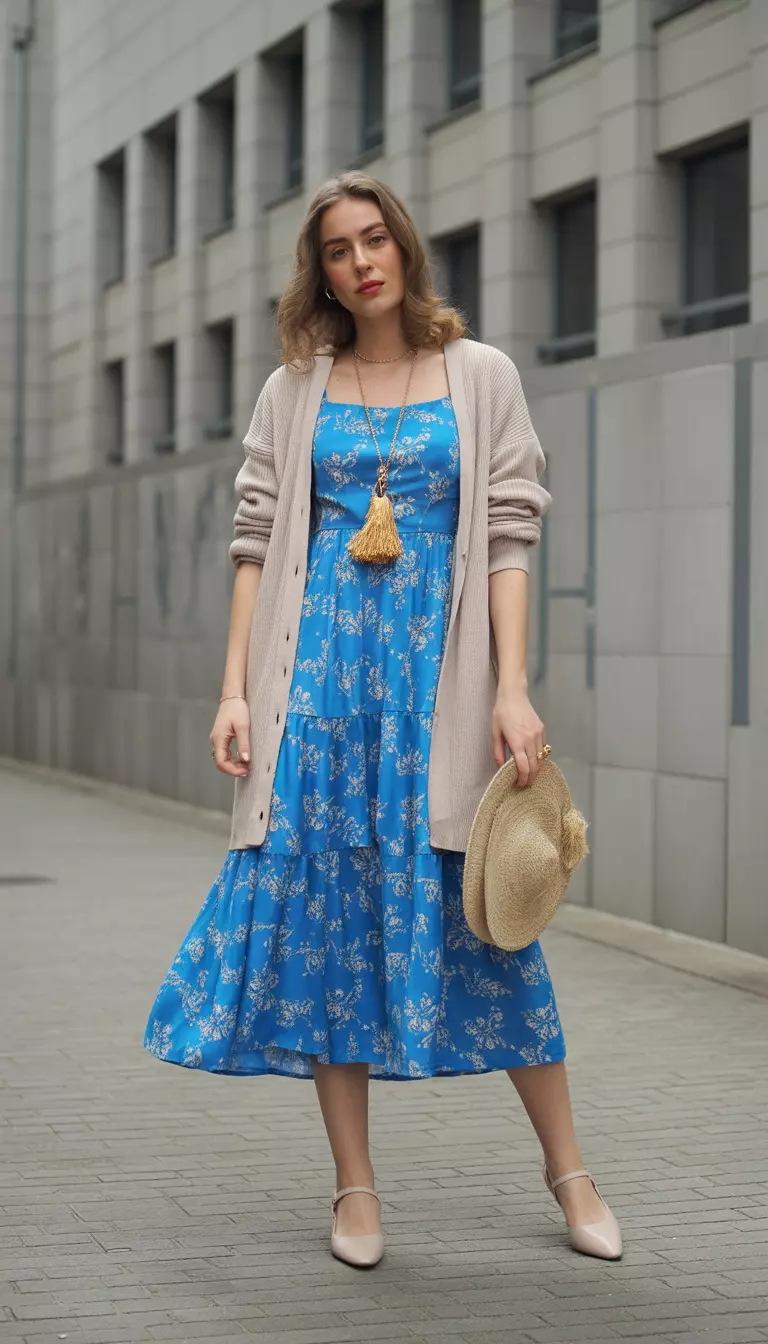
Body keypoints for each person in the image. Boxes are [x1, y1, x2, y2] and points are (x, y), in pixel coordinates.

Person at [143, 171, 622, 1268]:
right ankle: (354, 1189)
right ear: (317, 272)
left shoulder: (479, 375)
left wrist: (512, 686)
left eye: (374, 240)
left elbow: (508, 532)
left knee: (488, 921)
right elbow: (257, 541)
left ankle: (570, 1170)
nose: (360, 262)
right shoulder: (294, 389)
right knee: (325, 925)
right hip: (318, 693)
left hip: (436, 694)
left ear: (404, 247)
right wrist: (233, 691)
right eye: (336, 251)